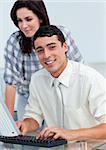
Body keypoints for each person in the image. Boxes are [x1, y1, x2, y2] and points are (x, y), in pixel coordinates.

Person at [16, 25, 106, 142]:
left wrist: (70, 134)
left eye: (52, 47)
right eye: (40, 50)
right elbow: (34, 116)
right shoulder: (37, 80)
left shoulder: (90, 78)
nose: (47, 55)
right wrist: (25, 125)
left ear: (65, 47)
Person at [4, 0, 84, 120]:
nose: (24, 26)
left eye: (28, 19)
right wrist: (9, 123)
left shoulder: (60, 34)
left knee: (54, 134)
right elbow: (11, 84)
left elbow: (78, 67)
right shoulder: (14, 41)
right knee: (25, 134)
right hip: (28, 98)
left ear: (40, 18)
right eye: (19, 21)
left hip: (58, 96)